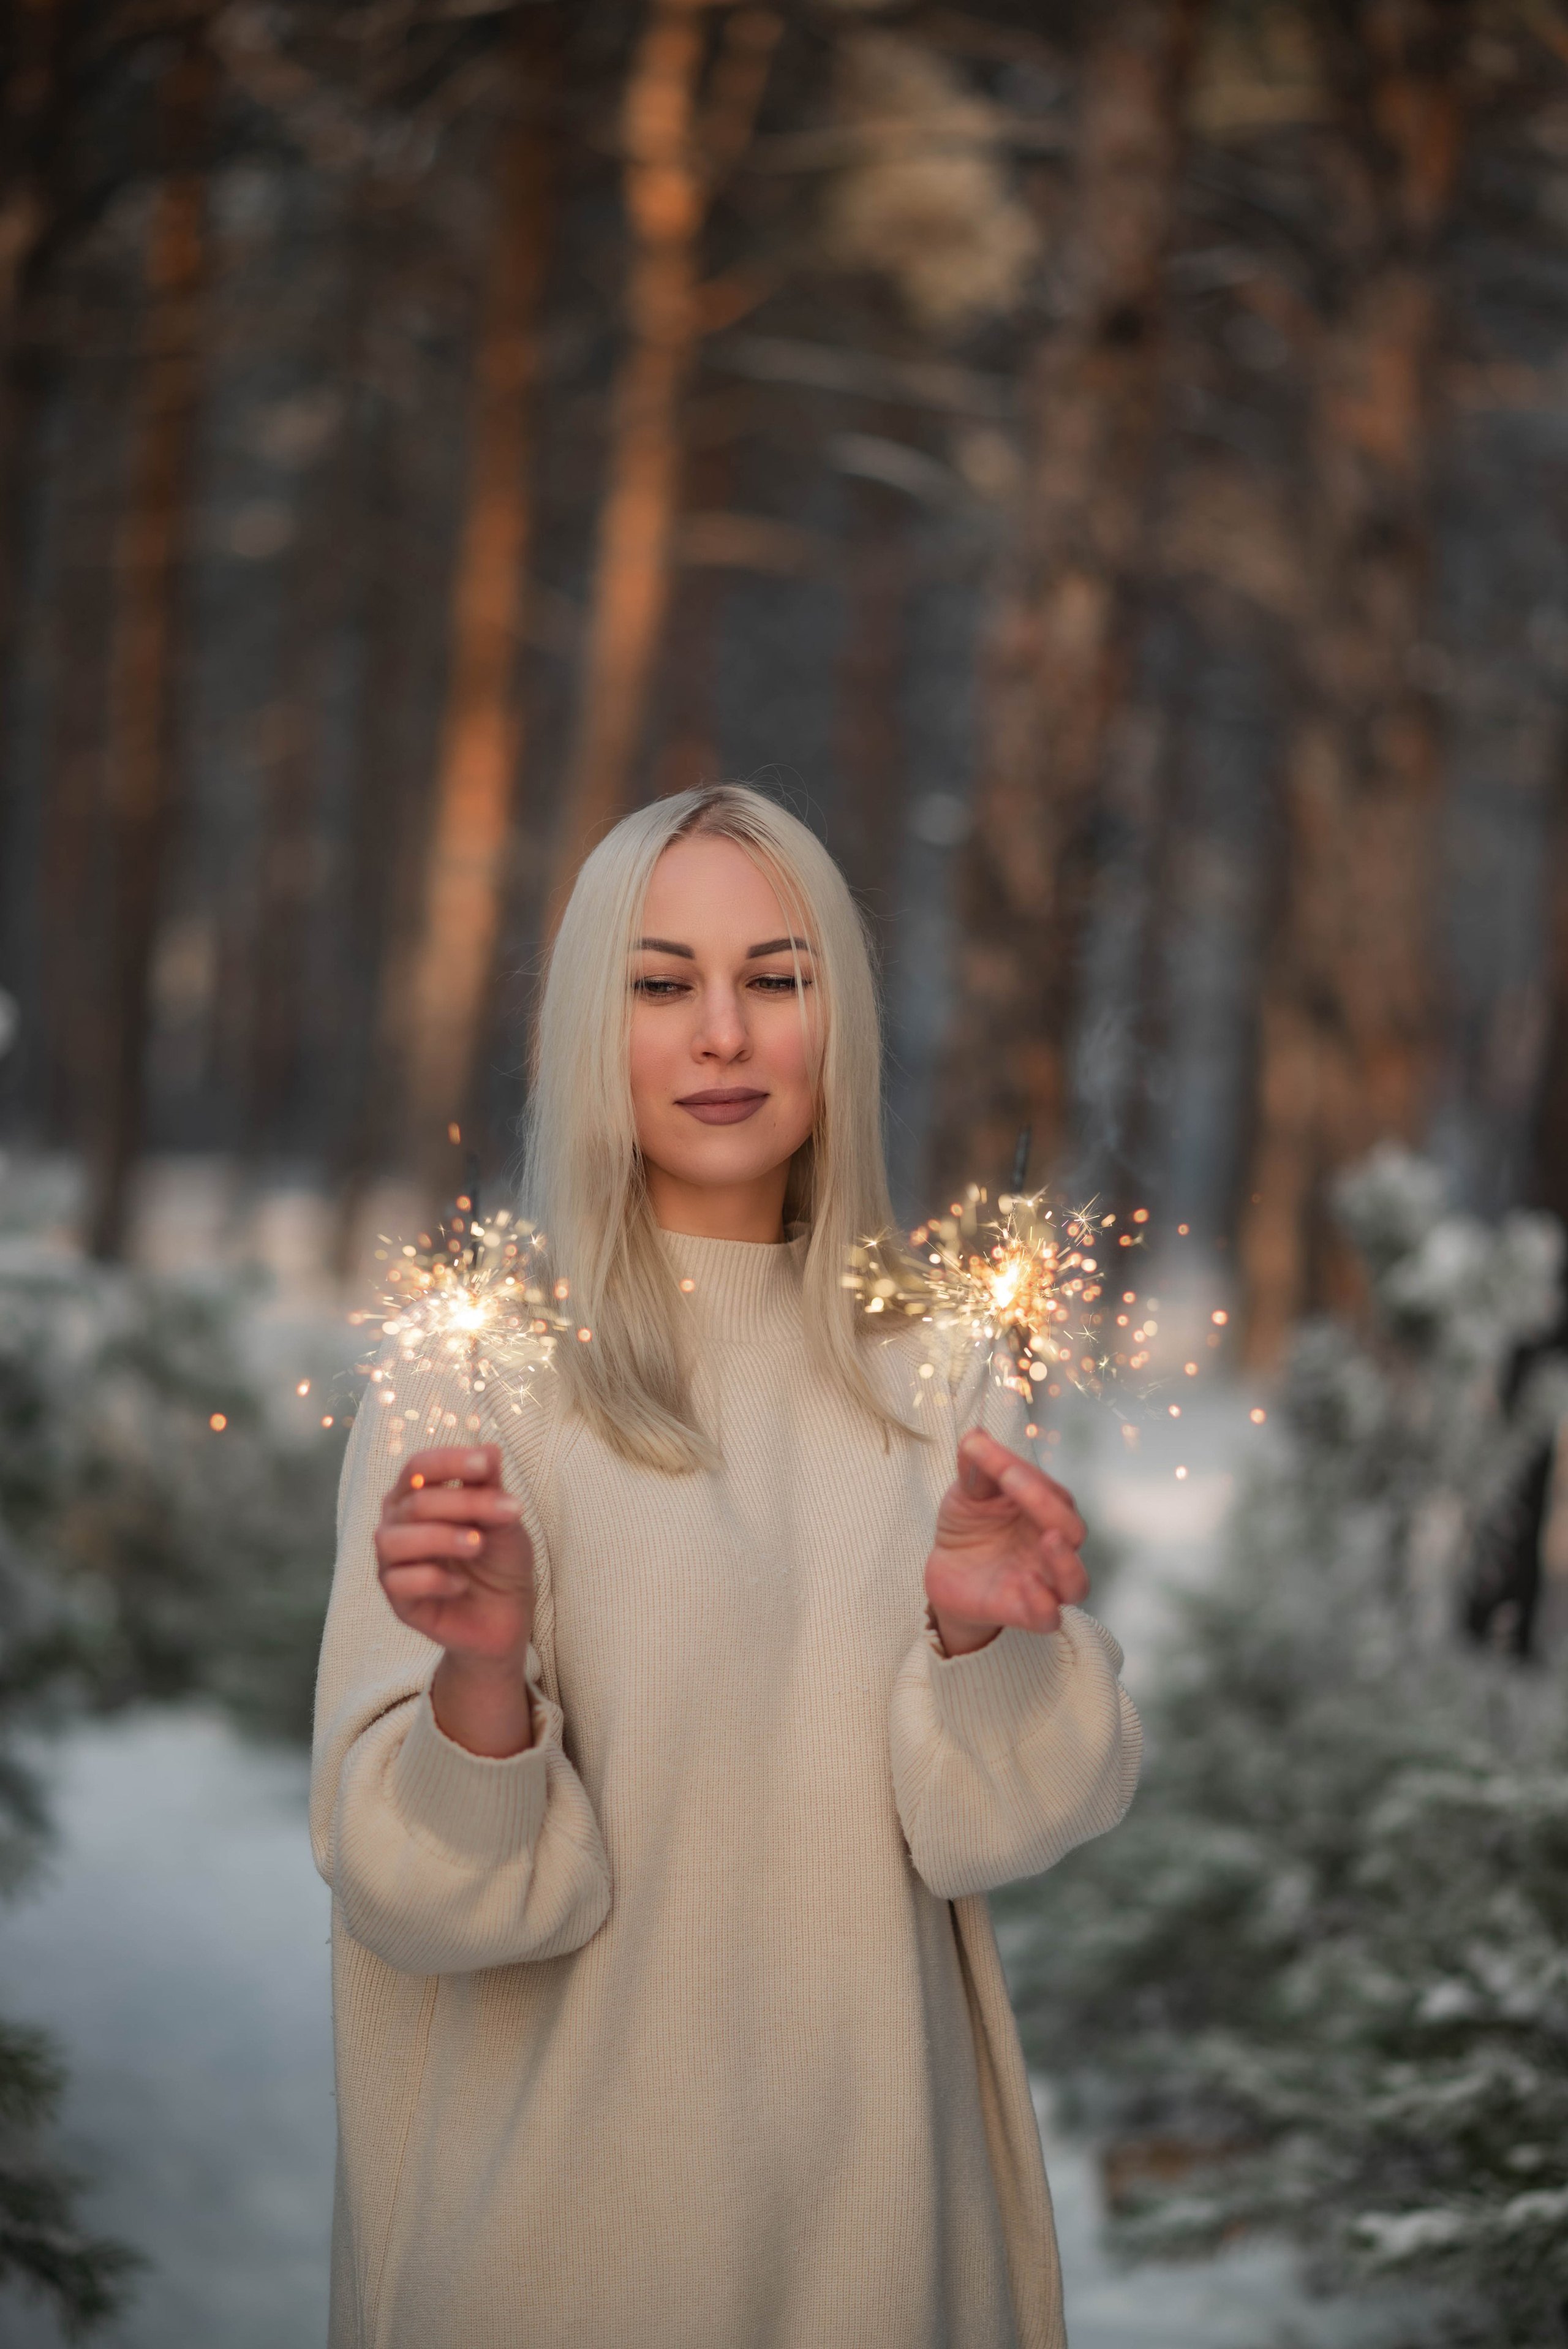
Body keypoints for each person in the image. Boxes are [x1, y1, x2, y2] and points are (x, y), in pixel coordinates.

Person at [312, 783, 1141, 2349]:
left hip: (886, 2247)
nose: (719, 1034)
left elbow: (1006, 1824)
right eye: (657, 982)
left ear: (838, 1021)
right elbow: (417, 1899)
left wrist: (982, 1649)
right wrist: (482, 1678)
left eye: (774, 977)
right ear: (584, 1026)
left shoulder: (938, 1363)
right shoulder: (477, 1367)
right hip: (551, 2260)